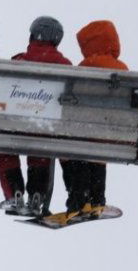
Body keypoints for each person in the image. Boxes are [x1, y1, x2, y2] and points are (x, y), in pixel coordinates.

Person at [51, 20, 128, 224]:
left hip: (84, 133)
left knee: (72, 149)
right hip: (114, 134)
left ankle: (78, 199)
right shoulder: (123, 70)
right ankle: (96, 200)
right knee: (95, 150)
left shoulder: (84, 68)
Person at [0, 16, 72, 216]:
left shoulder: (18, 61)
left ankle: (14, 192)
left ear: (32, 36)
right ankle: (37, 193)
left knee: (5, 149)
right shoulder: (66, 66)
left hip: (15, 125)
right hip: (45, 128)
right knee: (41, 153)